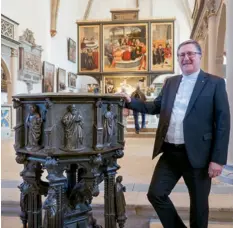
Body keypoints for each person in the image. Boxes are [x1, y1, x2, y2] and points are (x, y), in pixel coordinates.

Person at [121, 39, 230, 228]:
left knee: (199, 206)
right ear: (178, 59)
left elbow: (223, 123)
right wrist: (130, 102)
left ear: (199, 56)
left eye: (190, 54)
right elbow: (155, 106)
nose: (186, 58)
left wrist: (218, 159)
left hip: (199, 155)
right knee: (156, 194)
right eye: (182, 55)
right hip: (171, 152)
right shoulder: (171, 82)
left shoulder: (215, 83)